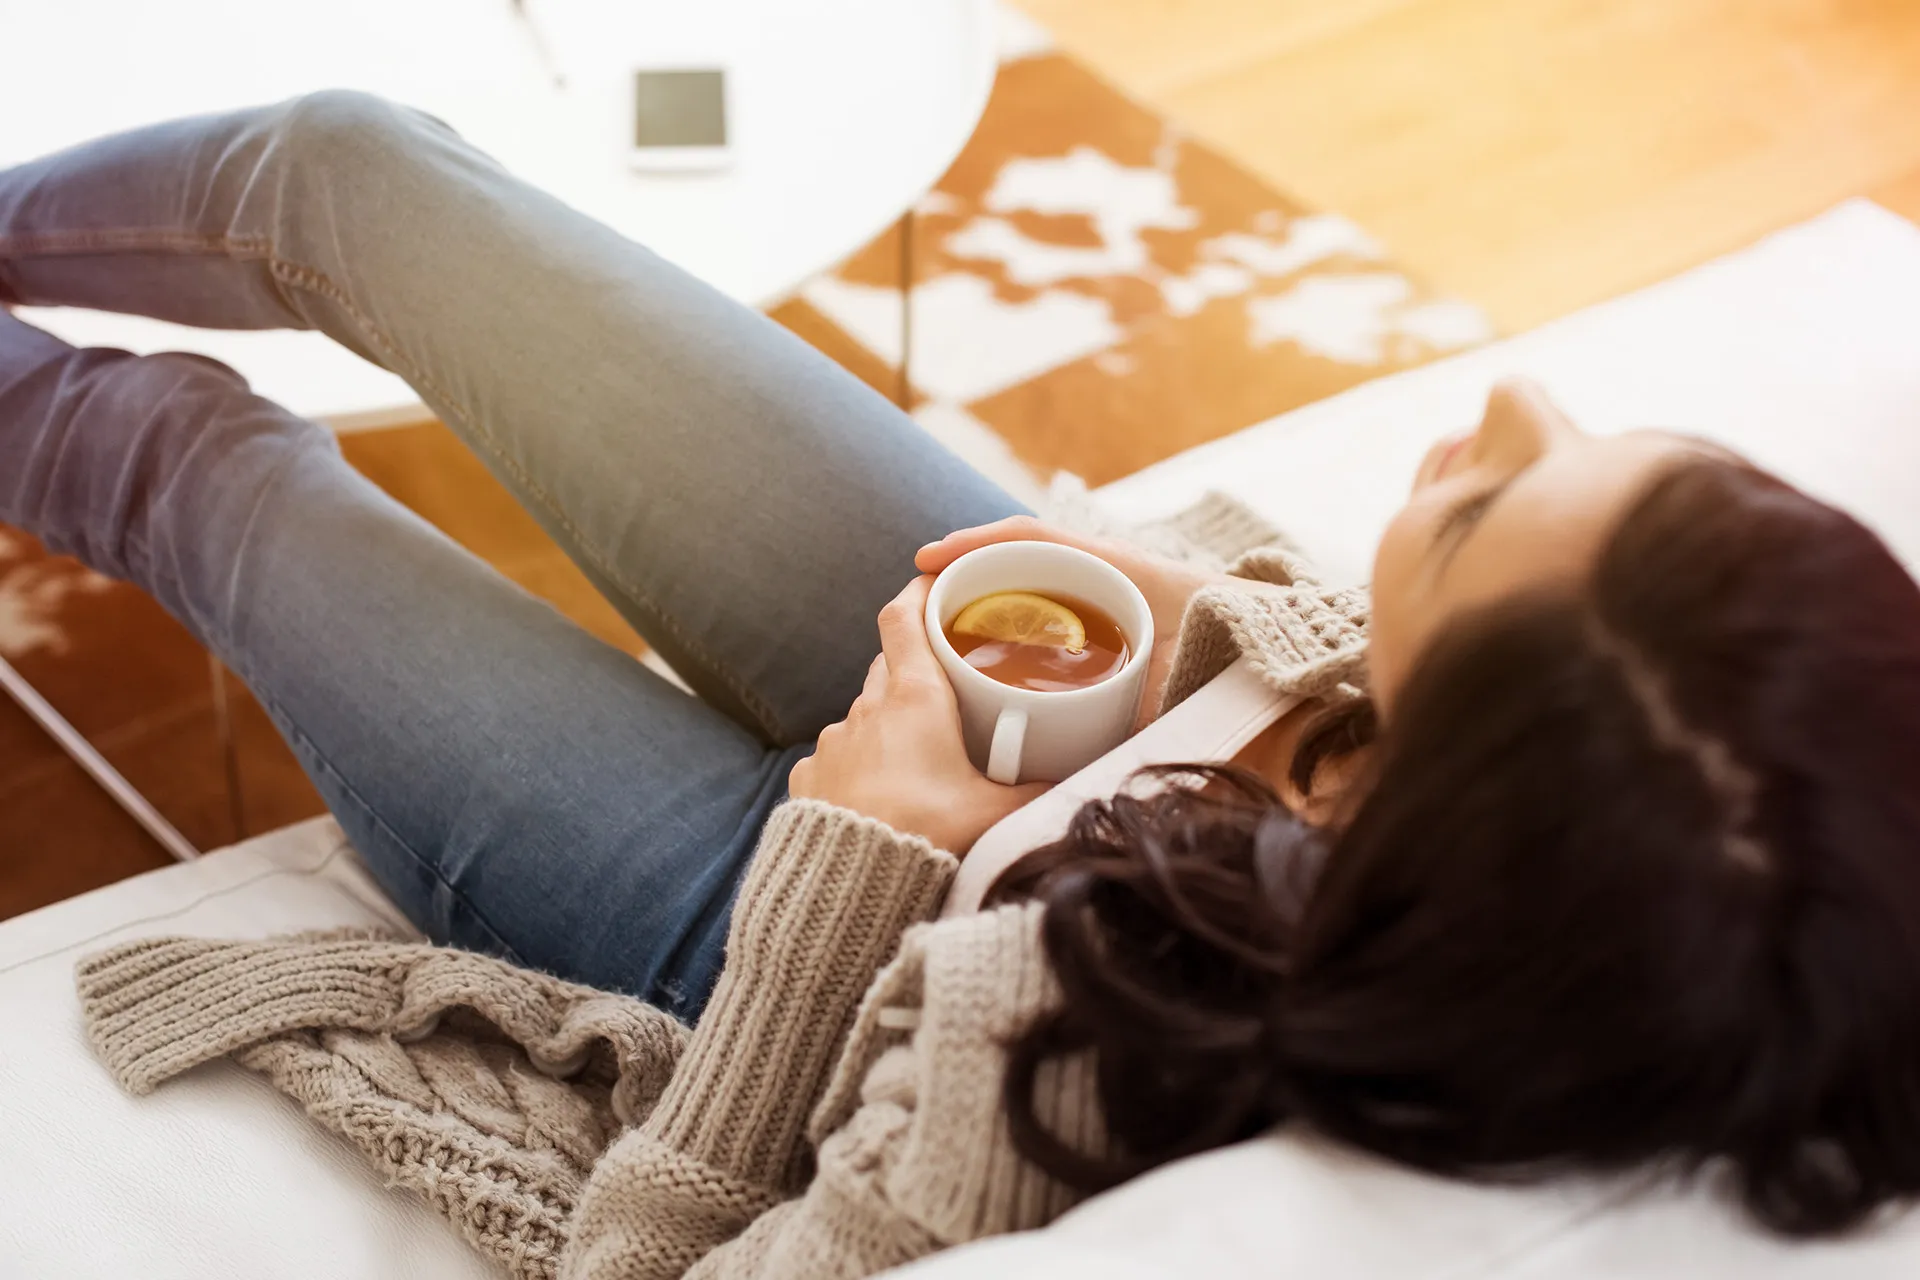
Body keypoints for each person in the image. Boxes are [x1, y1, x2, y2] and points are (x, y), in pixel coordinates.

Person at [11, 92, 1920, 1279]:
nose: (1502, 403)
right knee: (352, 165)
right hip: (1055, 688)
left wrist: (857, 855)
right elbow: (1403, 682)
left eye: (1476, 505)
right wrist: (1227, 629)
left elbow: (666, 1264)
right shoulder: (1718, 819)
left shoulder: (1050, 1074)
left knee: (201, 464)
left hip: (781, 931)